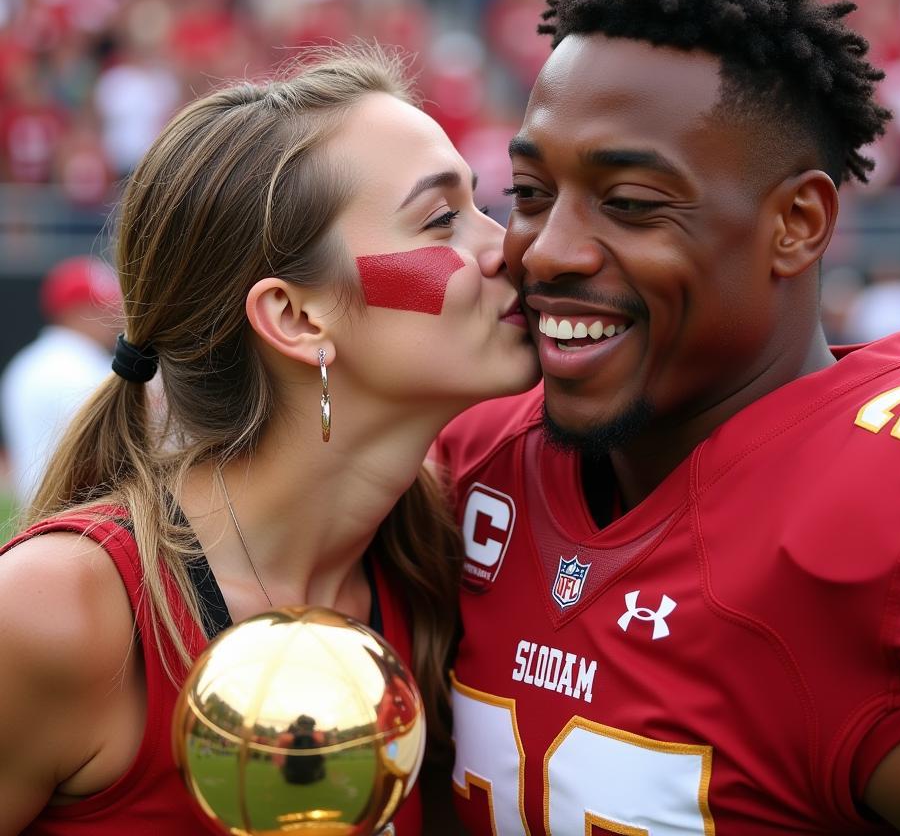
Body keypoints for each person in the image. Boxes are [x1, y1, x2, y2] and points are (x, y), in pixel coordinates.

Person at [435, 0, 900, 834]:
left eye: (630, 204)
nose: (547, 250)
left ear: (795, 224)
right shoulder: (475, 461)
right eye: (530, 191)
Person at [0, 45, 538, 834]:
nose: (509, 247)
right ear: (296, 318)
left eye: (485, 205)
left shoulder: (447, 562)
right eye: (442, 219)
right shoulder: (56, 612)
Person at [0, 256, 122, 507]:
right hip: (83, 511)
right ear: (75, 311)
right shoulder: (81, 365)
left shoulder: (28, 362)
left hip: (42, 512)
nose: (115, 318)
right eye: (102, 308)